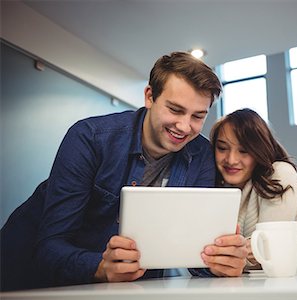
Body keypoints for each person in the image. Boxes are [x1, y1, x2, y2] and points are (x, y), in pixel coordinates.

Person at [0, 52, 247, 291]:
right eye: (175, 110)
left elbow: (197, 251)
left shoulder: (202, 153)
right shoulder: (90, 138)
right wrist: (99, 266)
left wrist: (222, 262)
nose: (184, 127)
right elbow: (49, 247)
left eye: (198, 116)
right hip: (26, 277)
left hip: (128, 289)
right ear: (150, 96)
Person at [210, 108, 297, 268]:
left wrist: (225, 255)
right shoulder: (220, 191)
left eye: (244, 150)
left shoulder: (279, 173)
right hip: (248, 286)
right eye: (222, 148)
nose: (231, 160)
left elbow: (267, 247)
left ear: (260, 149)